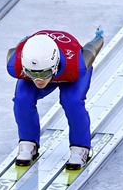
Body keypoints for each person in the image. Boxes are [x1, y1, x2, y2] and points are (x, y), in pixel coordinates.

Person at [6, 28, 104, 169]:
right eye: (32, 73)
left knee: (72, 101)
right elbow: (21, 45)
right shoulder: (15, 64)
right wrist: (40, 73)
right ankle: (28, 143)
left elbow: (91, 48)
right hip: (50, 67)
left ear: (55, 65)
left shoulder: (77, 65)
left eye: (44, 73)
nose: (39, 80)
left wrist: (98, 37)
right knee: (22, 100)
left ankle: (80, 148)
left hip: (69, 74)